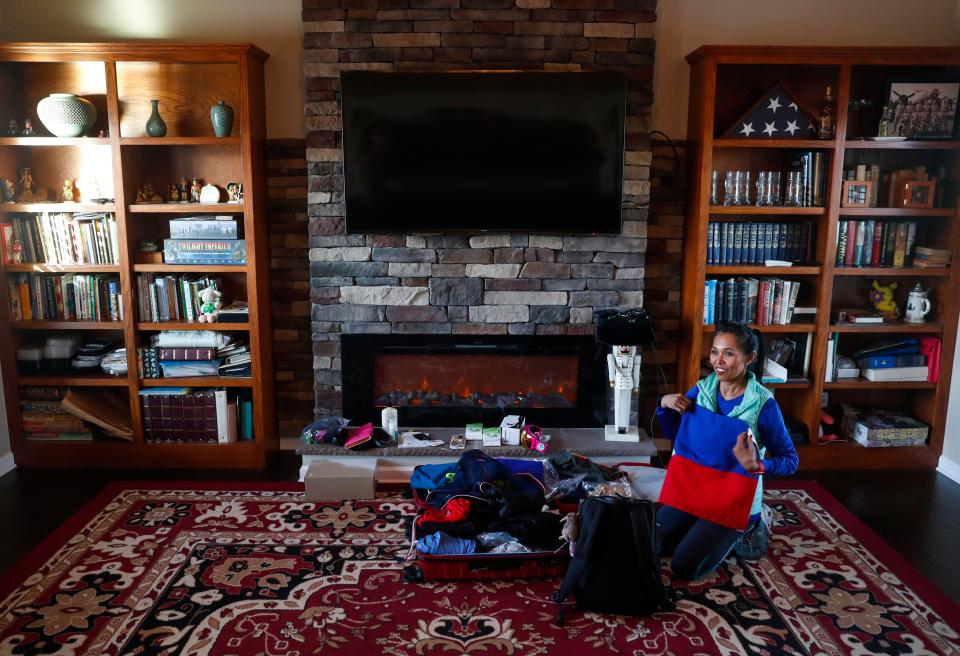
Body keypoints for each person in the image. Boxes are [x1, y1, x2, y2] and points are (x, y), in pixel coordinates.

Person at [656, 320, 799, 580]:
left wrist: (759, 466)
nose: (718, 360)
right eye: (714, 351)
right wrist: (664, 403)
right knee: (647, 542)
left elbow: (790, 460)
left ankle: (752, 529)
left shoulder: (763, 405)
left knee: (684, 567)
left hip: (734, 502)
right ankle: (699, 530)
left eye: (729, 353)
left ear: (750, 358)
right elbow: (677, 436)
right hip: (695, 492)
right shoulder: (701, 391)